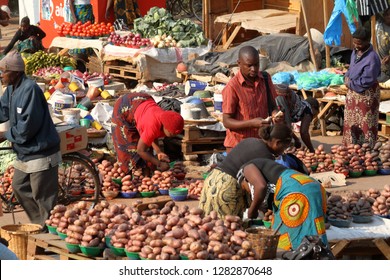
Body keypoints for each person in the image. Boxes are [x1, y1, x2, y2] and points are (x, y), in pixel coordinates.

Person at [0, 51, 61, 228]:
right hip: (25, 152)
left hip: (41, 151)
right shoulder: (11, 89)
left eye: (4, 72)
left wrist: (4, 135)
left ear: (16, 72)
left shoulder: (30, 90)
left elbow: (27, 129)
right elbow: (2, 111)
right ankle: (39, 224)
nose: (1, 76)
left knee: (42, 196)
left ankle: (48, 232)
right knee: (19, 187)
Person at [199, 123, 293, 219]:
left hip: (212, 180)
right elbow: (260, 186)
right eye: (284, 147)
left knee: (210, 225)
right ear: (277, 143)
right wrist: (253, 210)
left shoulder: (251, 141)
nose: (283, 151)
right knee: (229, 228)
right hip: (227, 188)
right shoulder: (266, 156)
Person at [237, 158, 328, 251]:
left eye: (243, 188)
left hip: (297, 191)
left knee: (284, 237)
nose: (247, 192)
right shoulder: (270, 172)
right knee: (313, 228)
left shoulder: (246, 168)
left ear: (244, 179)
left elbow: (261, 186)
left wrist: (252, 210)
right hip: (314, 187)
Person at [222, 45, 278, 153]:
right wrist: (251, 123)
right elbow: (227, 121)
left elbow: (272, 106)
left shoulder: (265, 79)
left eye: (256, 65)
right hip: (239, 145)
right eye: (249, 65)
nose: (254, 69)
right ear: (239, 64)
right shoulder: (232, 87)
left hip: (261, 143)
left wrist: (276, 115)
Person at [111, 92, 184, 175]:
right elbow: (140, 150)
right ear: (165, 127)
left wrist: (159, 151)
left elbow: (153, 135)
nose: (173, 136)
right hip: (125, 106)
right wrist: (159, 163)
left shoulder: (161, 118)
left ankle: (146, 175)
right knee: (129, 150)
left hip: (143, 101)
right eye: (172, 133)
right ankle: (128, 177)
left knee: (148, 150)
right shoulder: (152, 125)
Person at [343, 26, 381, 148]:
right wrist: (347, 77)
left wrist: (350, 84)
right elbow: (351, 68)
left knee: (366, 125)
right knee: (351, 123)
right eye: (354, 42)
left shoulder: (372, 58)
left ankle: (367, 152)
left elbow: (366, 80)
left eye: (358, 43)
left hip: (366, 94)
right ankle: (350, 149)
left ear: (366, 42)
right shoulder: (355, 52)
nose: (356, 45)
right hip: (353, 94)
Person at [274, 84, 320, 153]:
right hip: (281, 98)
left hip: (278, 98)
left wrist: (296, 139)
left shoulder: (299, 106)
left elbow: (287, 125)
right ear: (313, 107)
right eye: (316, 113)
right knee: (282, 131)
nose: (314, 116)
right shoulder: (308, 110)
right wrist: (311, 149)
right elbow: (304, 132)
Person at [375, 8, 390, 81]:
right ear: (383, 15)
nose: (389, 16)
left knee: (382, 81)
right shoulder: (378, 23)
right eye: (387, 14)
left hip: (385, 62)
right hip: (373, 58)